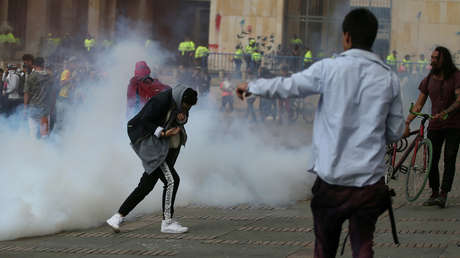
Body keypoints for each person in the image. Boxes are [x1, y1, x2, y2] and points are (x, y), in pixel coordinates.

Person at [236, 8, 403, 257]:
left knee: (324, 248)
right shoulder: (389, 78)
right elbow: (395, 130)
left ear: (346, 36)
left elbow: (289, 86)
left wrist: (253, 86)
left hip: (332, 180)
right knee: (363, 245)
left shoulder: (328, 68)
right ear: (372, 38)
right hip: (368, 183)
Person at [106, 85, 198, 234]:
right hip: (147, 140)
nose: (186, 109)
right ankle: (167, 223)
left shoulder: (180, 100)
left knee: (146, 186)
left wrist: (182, 118)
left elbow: (179, 118)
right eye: (185, 106)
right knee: (172, 180)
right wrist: (163, 133)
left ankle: (117, 217)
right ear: (181, 99)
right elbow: (144, 121)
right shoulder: (160, 100)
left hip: (159, 144)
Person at [403, 46, 460, 208]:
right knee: (431, 159)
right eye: (432, 58)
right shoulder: (429, 79)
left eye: (436, 58)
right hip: (434, 125)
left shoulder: (456, 77)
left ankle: (444, 193)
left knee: (449, 158)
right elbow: (419, 104)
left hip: (454, 126)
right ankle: (434, 192)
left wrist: (446, 112)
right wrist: (407, 122)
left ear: (444, 60)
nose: (432, 61)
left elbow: (459, 99)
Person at [23, 57, 53, 138]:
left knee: (33, 132)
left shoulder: (31, 76)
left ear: (34, 65)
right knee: (45, 134)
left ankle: (34, 149)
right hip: (45, 109)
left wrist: (25, 107)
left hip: (33, 108)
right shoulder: (49, 77)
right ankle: (45, 149)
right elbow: (52, 92)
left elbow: (26, 93)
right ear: (43, 64)